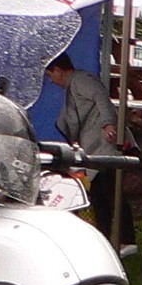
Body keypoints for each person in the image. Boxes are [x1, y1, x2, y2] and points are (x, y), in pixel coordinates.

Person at [43, 52, 135, 254]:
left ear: (58, 70)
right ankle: (107, 240)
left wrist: (108, 123)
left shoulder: (81, 80)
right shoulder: (73, 86)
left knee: (111, 193)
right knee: (101, 197)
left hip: (106, 146)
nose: (51, 80)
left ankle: (127, 240)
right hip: (95, 148)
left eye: (51, 75)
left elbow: (101, 97)